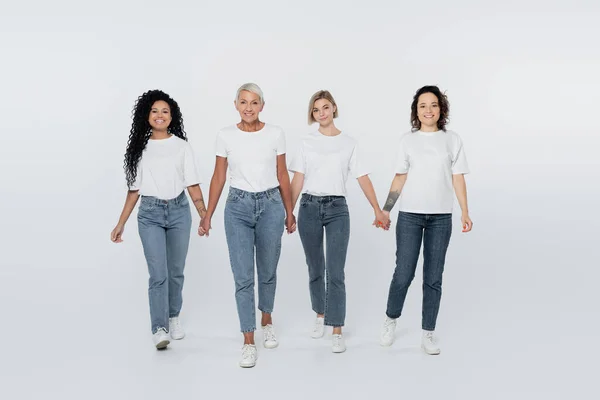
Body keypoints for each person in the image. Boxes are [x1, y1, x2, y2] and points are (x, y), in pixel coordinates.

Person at [199, 83, 295, 368]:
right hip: (237, 207)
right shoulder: (225, 135)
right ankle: (248, 340)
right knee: (243, 276)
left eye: (254, 102)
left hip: (271, 205)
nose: (249, 107)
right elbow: (218, 177)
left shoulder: (276, 133)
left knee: (267, 270)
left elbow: (282, 174)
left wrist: (290, 211)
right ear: (236, 105)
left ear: (262, 106)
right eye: (244, 102)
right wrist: (208, 214)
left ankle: (266, 319)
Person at [289, 90, 390, 353]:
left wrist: (378, 210)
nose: (321, 113)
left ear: (334, 108)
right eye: (315, 110)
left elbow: (362, 178)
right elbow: (297, 179)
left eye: (325, 107)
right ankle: (320, 314)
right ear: (312, 114)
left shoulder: (349, 143)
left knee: (336, 271)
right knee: (315, 267)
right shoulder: (305, 142)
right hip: (309, 206)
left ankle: (336, 328)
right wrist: (287, 211)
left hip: (337, 209)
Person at [379, 85, 472, 355]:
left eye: (433, 105)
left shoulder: (452, 139)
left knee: (433, 277)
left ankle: (427, 333)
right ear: (415, 111)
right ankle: (390, 319)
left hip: (441, 217)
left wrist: (465, 211)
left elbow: (458, 177)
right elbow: (400, 177)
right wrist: (386, 209)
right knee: (403, 273)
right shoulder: (407, 141)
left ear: (441, 109)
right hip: (410, 216)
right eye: (422, 105)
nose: (428, 110)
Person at [110, 90, 206, 350]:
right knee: (158, 274)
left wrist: (203, 215)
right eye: (154, 111)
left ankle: (173, 316)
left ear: (171, 116)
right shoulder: (139, 148)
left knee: (176, 272)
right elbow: (133, 191)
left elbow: (193, 184)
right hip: (150, 214)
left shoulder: (182, 146)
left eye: (165, 111)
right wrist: (120, 224)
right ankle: (159, 327)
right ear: (147, 115)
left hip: (179, 212)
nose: (160, 115)